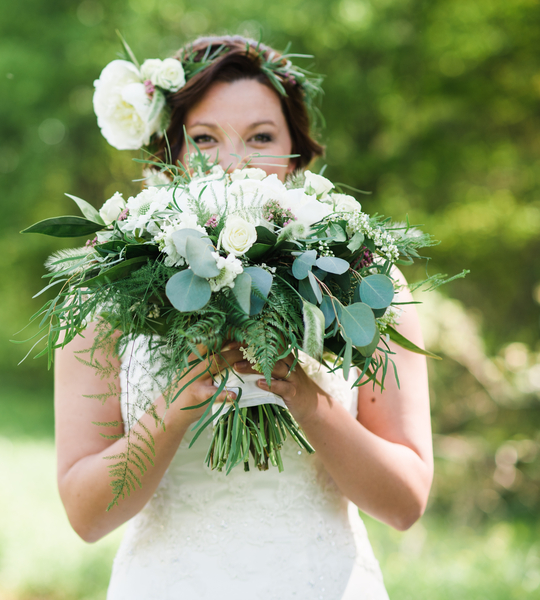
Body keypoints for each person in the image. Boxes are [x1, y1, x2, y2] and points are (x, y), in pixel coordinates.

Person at [54, 35, 432, 599]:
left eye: (260, 137)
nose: (232, 163)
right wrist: (175, 407)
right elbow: (87, 517)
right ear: (170, 156)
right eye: (204, 139)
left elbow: (404, 505)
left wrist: (307, 399)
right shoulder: (109, 294)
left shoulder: (362, 283)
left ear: (298, 154)